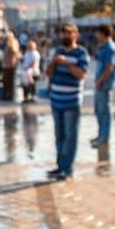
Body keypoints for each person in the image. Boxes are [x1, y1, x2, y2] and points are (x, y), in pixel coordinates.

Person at [46, 24, 89, 180]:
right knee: (59, 135)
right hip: (56, 100)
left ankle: (68, 169)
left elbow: (81, 75)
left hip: (71, 101)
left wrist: (66, 64)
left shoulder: (81, 53)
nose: (65, 36)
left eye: (69, 33)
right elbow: (48, 73)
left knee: (70, 136)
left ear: (75, 35)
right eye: (63, 33)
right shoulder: (58, 51)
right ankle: (60, 166)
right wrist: (53, 63)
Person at [91, 24, 115, 149]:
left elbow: (109, 68)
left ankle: (104, 138)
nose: (97, 36)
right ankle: (101, 135)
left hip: (104, 84)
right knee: (99, 111)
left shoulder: (110, 48)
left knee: (104, 112)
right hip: (101, 83)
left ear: (102, 33)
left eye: (98, 33)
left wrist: (100, 81)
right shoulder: (104, 47)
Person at [1, 31, 20, 100]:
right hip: (6, 64)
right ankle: (6, 94)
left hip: (11, 65)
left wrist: (10, 46)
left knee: (10, 81)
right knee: (5, 81)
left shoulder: (14, 42)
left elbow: (15, 51)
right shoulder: (7, 43)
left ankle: (10, 95)